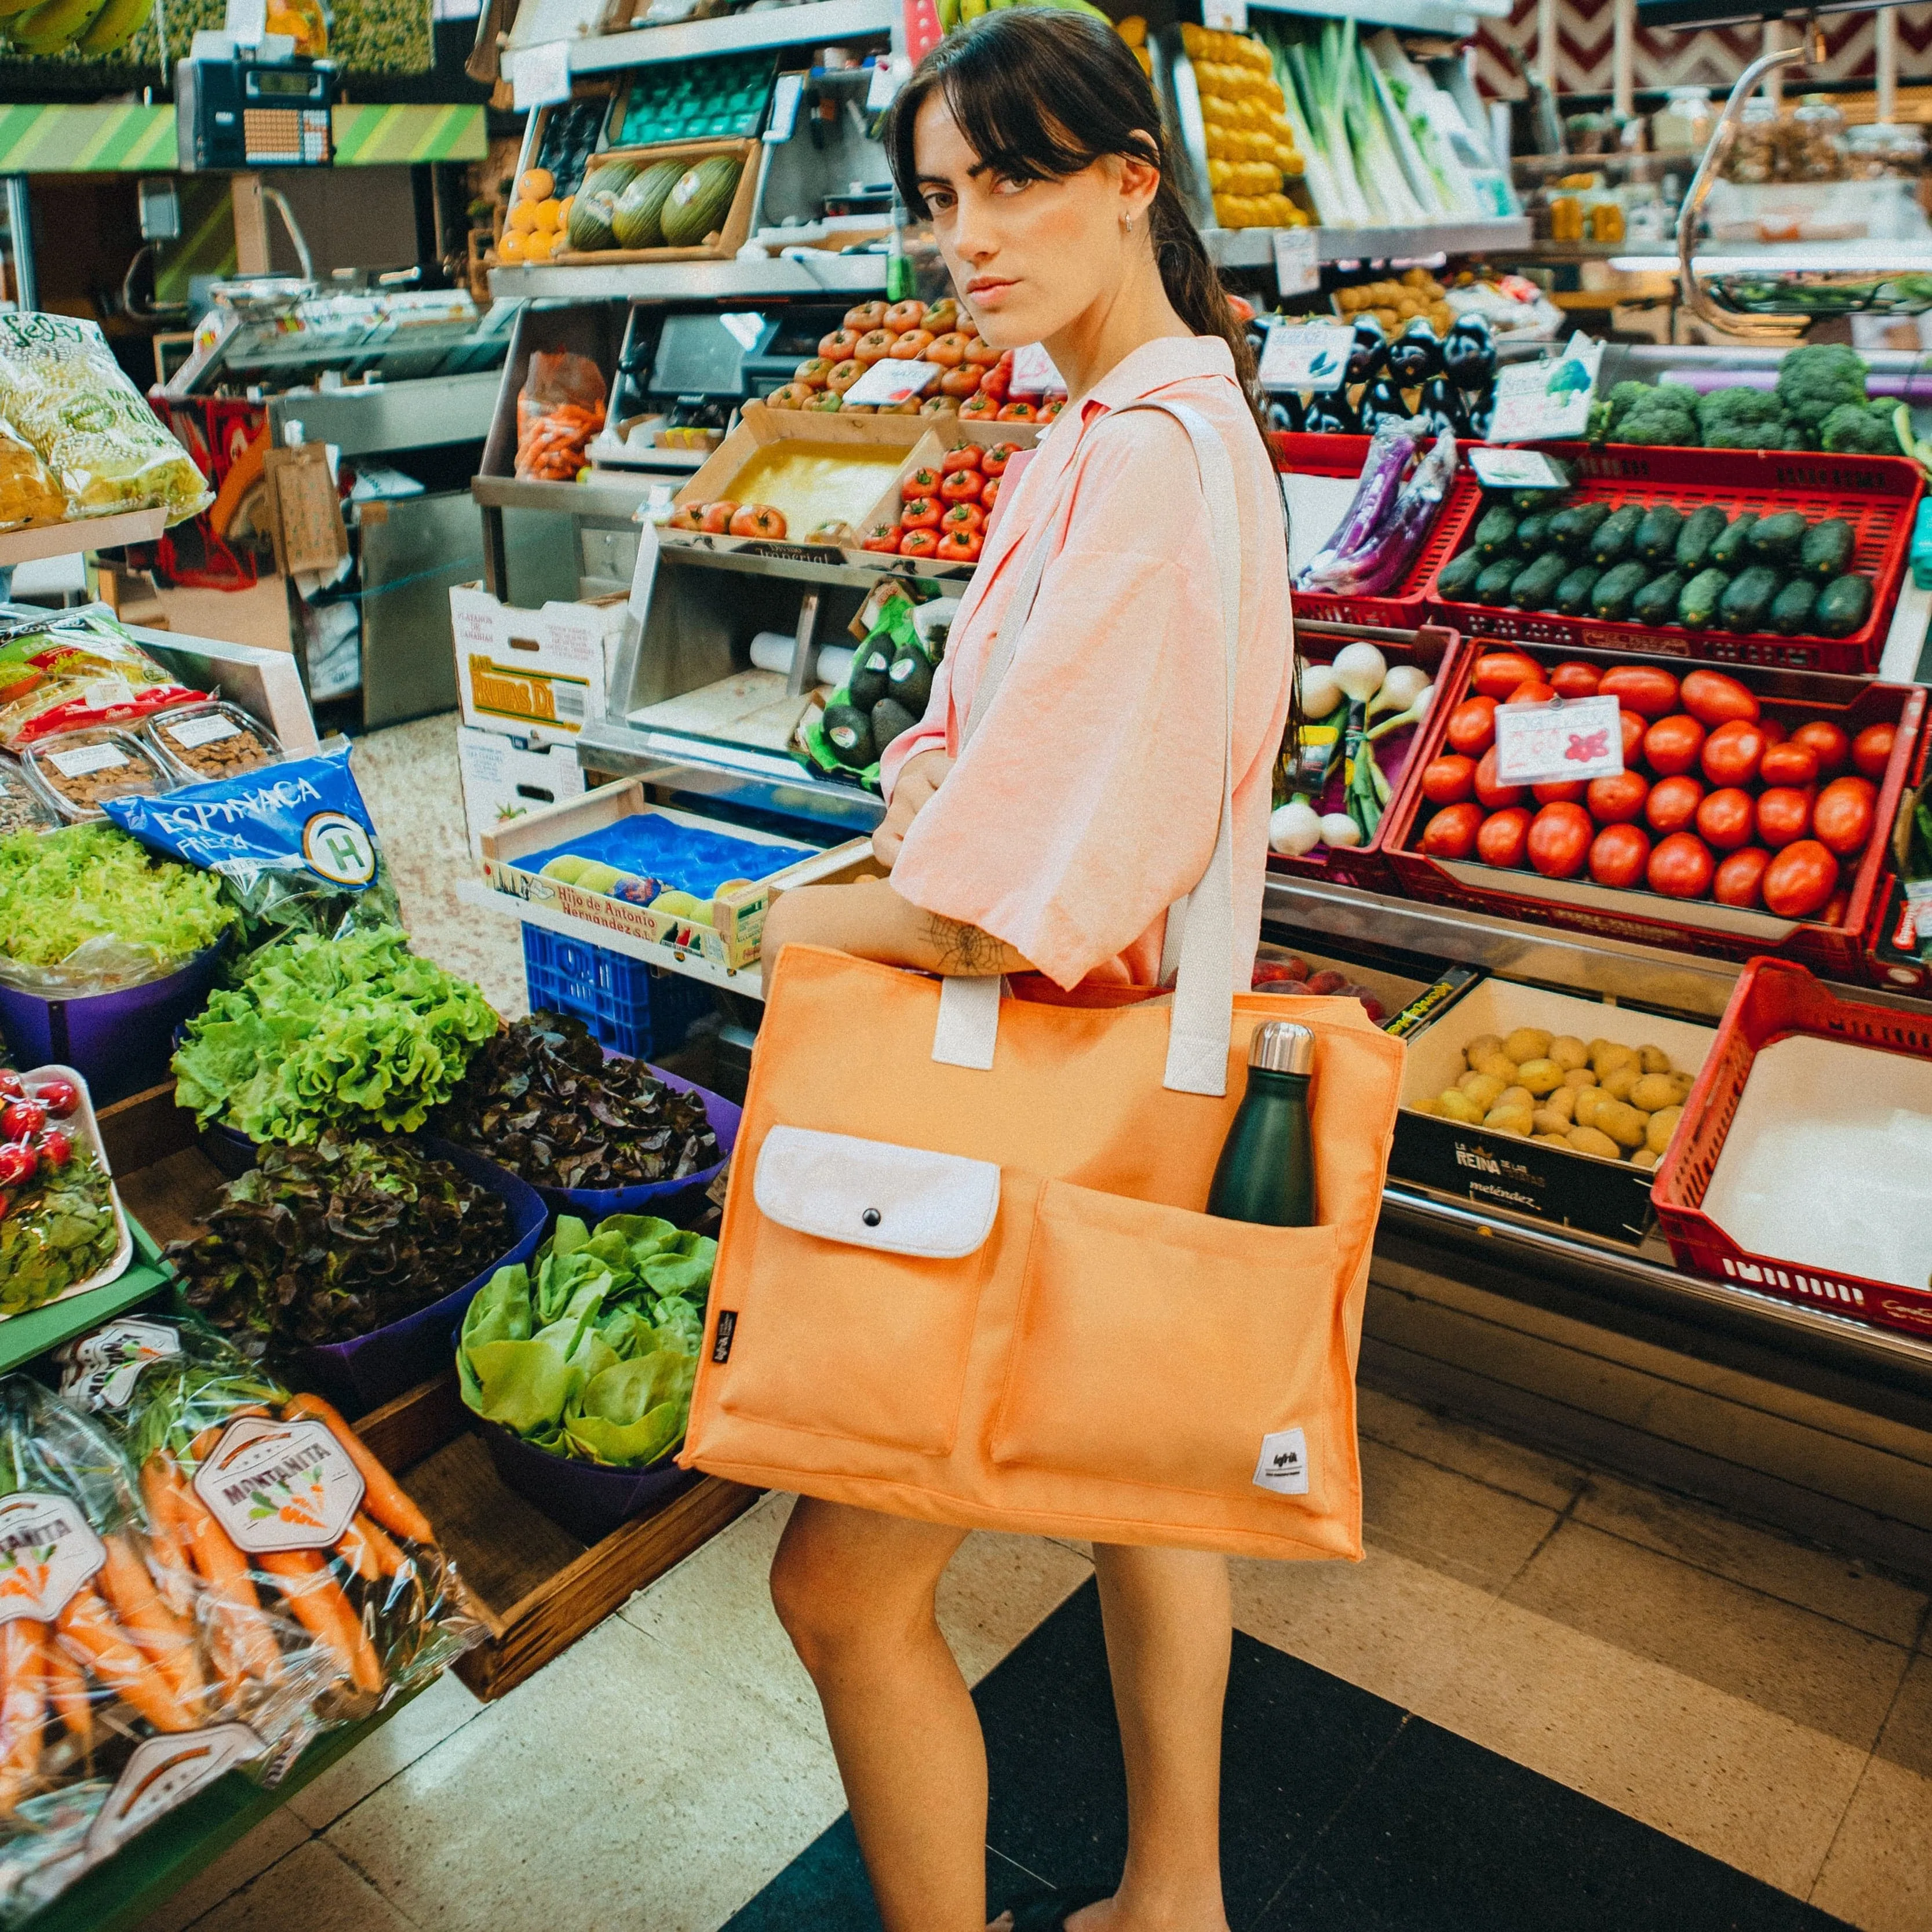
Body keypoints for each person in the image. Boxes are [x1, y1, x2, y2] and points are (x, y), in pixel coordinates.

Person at [755, 13, 1294, 1930]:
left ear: (1131, 179)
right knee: (1138, 1477)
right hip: (1129, 1075)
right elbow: (1001, 772)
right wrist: (930, 802)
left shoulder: (1143, 460)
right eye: (935, 199)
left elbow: (1000, 912)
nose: (963, 237)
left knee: (836, 1586)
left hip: (1037, 1097)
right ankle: (1173, 1895)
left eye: (1010, 183)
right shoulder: (1120, 423)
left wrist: (784, 925)